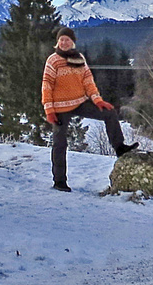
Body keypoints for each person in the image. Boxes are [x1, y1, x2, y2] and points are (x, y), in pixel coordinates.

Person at [42, 26, 136, 191]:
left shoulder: (79, 58)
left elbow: (88, 81)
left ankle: (120, 147)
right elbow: (47, 86)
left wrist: (98, 101)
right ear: (57, 42)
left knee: (109, 113)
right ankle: (59, 181)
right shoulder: (53, 60)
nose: (64, 42)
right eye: (61, 40)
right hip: (59, 108)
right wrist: (49, 110)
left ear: (73, 43)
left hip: (79, 102)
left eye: (67, 40)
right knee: (60, 143)